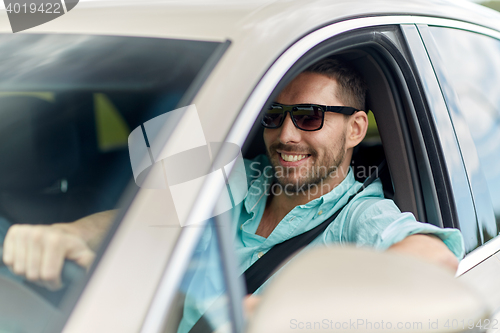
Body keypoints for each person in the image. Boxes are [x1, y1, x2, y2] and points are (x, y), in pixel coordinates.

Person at [2, 57, 463, 296]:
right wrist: (67, 234)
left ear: (356, 128)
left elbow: (434, 258)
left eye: (308, 117)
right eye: (275, 115)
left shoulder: (360, 216)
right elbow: (145, 216)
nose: (285, 136)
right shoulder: (239, 176)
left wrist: (303, 310)